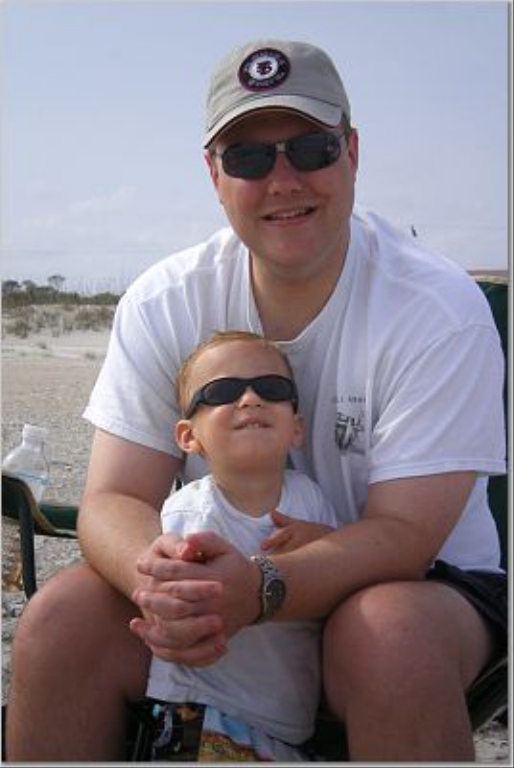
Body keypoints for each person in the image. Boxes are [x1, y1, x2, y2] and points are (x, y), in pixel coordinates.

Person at [6, 39, 506, 762]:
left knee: (387, 635)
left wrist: (262, 584)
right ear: (214, 174)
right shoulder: (166, 300)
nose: (283, 180)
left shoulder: (435, 310)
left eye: (311, 148)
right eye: (247, 158)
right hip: (221, 585)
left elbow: (405, 535)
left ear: (351, 152)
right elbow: (114, 499)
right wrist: (166, 584)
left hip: (418, 586)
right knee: (62, 618)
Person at [142, 330, 337, 761]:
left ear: (297, 428)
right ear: (189, 437)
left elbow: (340, 584)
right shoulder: (189, 513)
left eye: (272, 388)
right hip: (200, 707)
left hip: (288, 717)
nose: (250, 399)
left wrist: (323, 546)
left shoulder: (311, 500)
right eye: (222, 392)